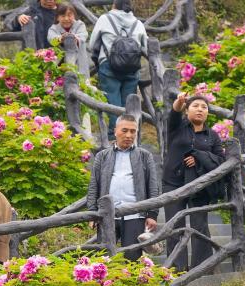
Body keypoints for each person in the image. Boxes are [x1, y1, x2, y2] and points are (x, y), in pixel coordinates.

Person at [163, 92, 225, 271]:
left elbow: (221, 160)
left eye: (204, 107)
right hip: (173, 183)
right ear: (187, 110)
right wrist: (178, 103)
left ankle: (202, 268)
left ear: (207, 113)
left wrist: (200, 157)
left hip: (200, 187)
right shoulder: (177, 128)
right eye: (195, 106)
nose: (200, 109)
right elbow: (173, 115)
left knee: (199, 226)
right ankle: (176, 269)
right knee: (175, 226)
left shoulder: (212, 136)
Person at [85, 115, 160, 261]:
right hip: (107, 214)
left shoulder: (145, 156)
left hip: (135, 214)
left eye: (133, 131)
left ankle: (132, 283)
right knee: (104, 257)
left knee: (132, 257)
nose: (129, 135)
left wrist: (152, 214)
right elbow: (94, 185)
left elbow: (153, 185)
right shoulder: (102, 156)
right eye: (124, 130)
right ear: (115, 131)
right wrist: (92, 212)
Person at [87, 0, 148, 140]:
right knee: (129, 102)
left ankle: (114, 135)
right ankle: (131, 135)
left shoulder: (105, 19)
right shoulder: (138, 23)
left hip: (109, 65)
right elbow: (146, 46)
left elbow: (92, 44)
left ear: (114, 5)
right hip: (131, 68)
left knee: (112, 100)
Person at [47, 3, 89, 70]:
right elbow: (52, 40)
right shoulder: (53, 28)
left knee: (81, 79)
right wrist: (60, 38)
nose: (66, 19)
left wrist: (73, 38)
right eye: (63, 16)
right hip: (59, 64)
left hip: (79, 63)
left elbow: (83, 36)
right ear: (57, 17)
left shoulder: (80, 25)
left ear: (74, 16)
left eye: (69, 15)